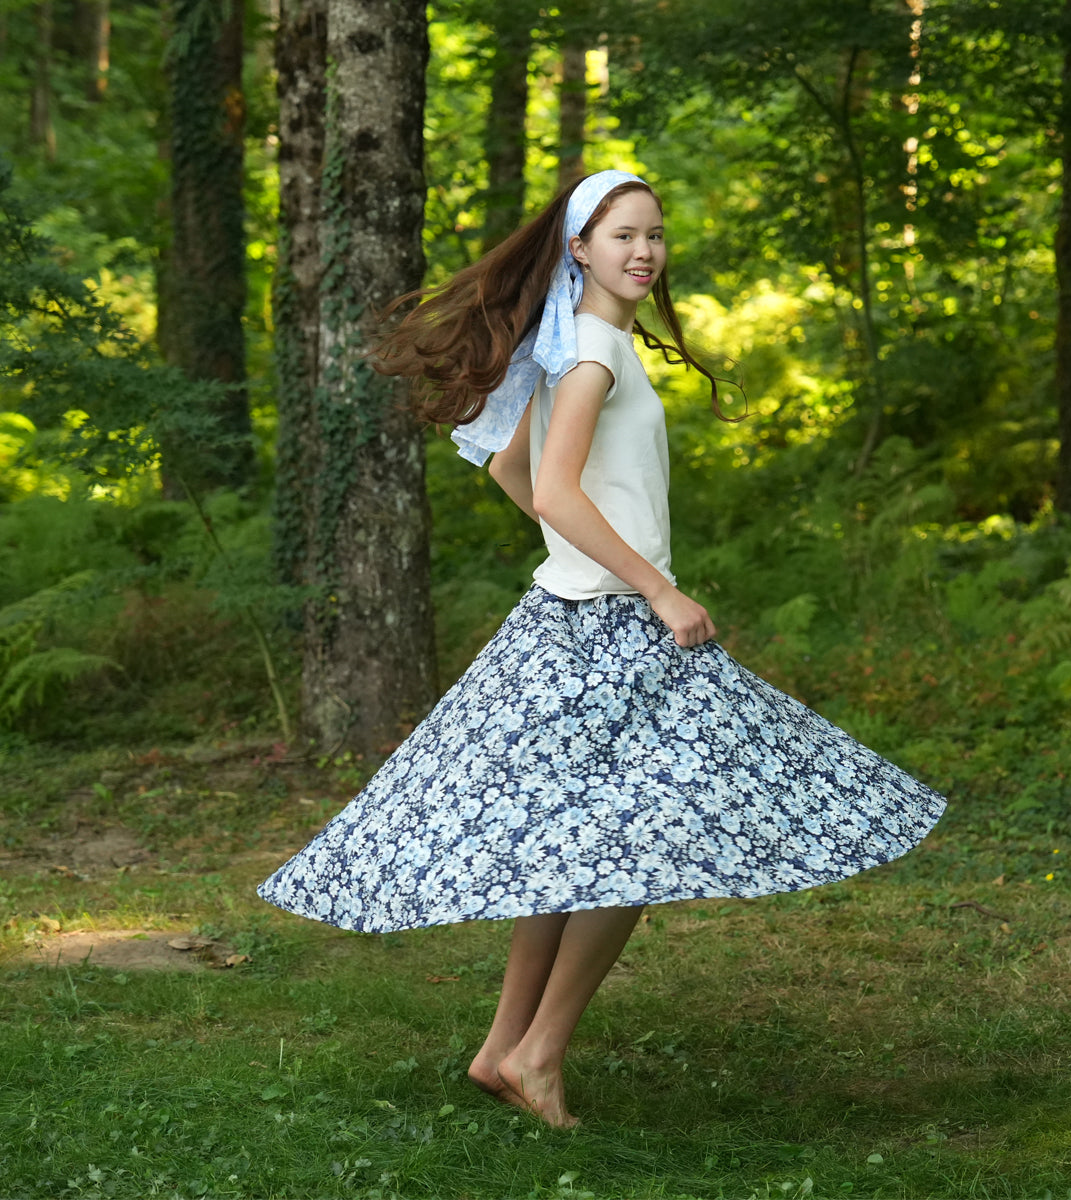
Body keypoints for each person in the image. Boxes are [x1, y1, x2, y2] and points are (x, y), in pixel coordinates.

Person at [258, 170, 946, 1129]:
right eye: (624, 234)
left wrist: (581, 553)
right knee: (639, 845)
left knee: (577, 847)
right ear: (579, 247)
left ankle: (505, 1049)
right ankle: (537, 1053)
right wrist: (653, 585)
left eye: (656, 235)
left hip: (578, 620)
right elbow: (552, 493)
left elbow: (512, 467)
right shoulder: (591, 355)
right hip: (612, 630)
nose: (645, 251)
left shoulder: (586, 343)